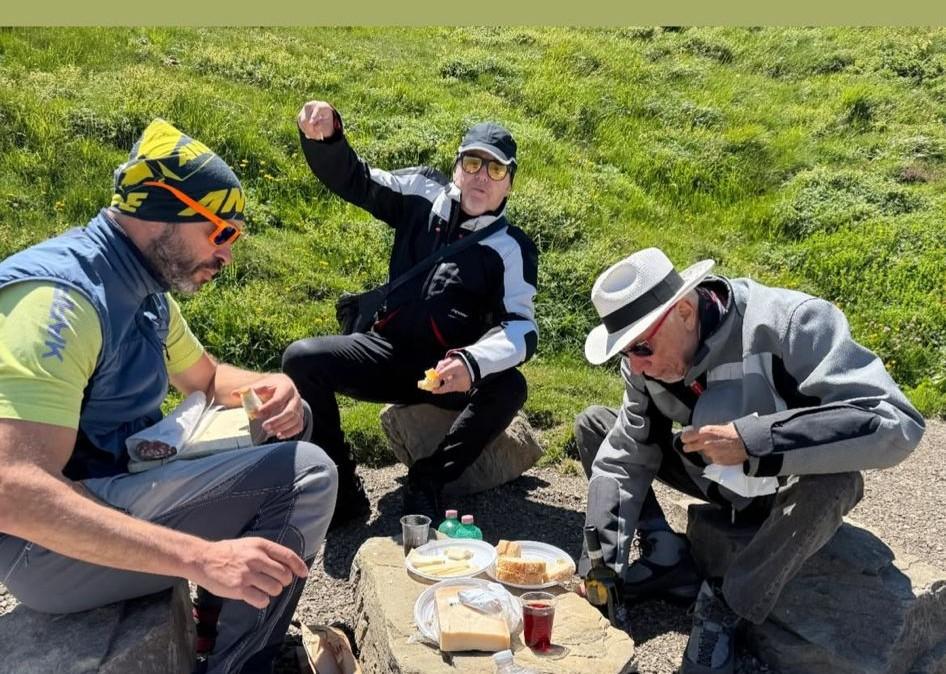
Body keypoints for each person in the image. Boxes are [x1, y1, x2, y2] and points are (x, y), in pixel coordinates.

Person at [0, 119, 338, 674]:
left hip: (112, 486)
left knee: (292, 420)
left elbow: (207, 379)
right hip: (44, 551)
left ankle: (212, 629)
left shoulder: (142, 291)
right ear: (164, 211)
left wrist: (273, 389)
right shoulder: (60, 302)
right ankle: (238, 665)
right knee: (307, 475)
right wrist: (203, 559)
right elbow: (14, 489)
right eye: (221, 233)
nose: (227, 256)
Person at [575, 247, 925, 674]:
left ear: (685, 310)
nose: (638, 367)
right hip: (707, 474)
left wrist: (755, 440)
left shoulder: (793, 322)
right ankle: (666, 556)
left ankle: (726, 604)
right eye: (625, 353)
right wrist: (600, 564)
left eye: (642, 348)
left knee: (838, 483)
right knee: (596, 425)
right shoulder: (644, 364)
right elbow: (626, 456)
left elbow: (896, 424)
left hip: (781, 491)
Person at [282, 101, 539, 527]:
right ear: (457, 166)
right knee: (301, 359)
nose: (481, 176)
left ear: (508, 183)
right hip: (386, 352)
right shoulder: (421, 192)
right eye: (473, 162)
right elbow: (358, 181)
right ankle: (342, 491)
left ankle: (428, 480)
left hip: (450, 372)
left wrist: (472, 363)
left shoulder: (512, 247)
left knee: (510, 386)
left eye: (495, 170)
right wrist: (326, 139)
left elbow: (522, 329)